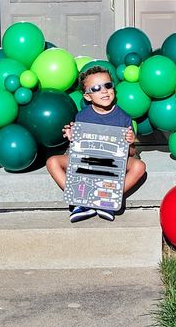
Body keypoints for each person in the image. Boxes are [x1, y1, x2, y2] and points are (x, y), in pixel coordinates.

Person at [46, 66, 147, 223]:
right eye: (96, 88)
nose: (104, 91)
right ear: (87, 96)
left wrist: (131, 141)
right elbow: (77, 155)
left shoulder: (123, 117)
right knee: (52, 162)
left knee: (139, 167)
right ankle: (80, 201)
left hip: (112, 165)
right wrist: (72, 138)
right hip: (88, 164)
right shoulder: (82, 116)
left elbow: (131, 153)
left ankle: (107, 201)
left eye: (108, 85)